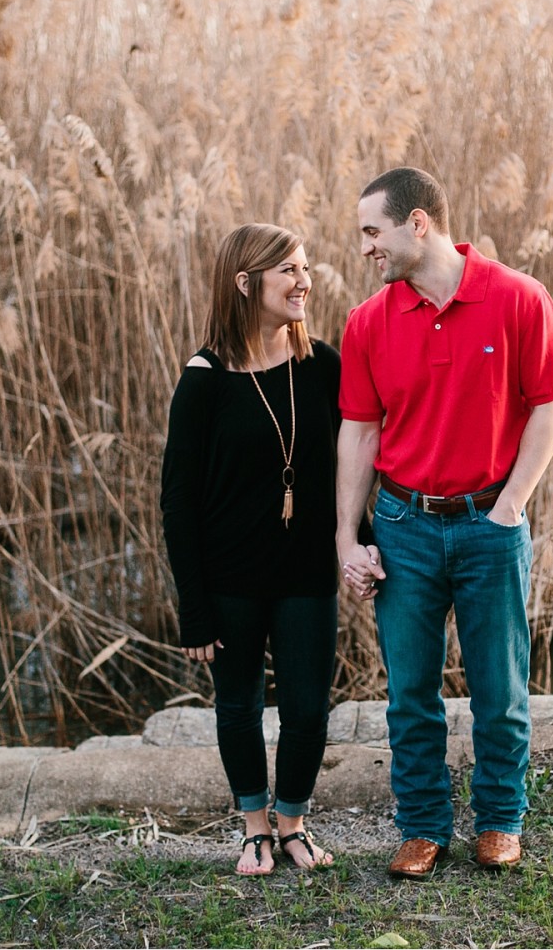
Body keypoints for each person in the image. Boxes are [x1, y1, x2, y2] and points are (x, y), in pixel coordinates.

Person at [335, 167, 553, 878]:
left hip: (488, 524)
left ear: (419, 225)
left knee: (499, 690)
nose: (365, 250)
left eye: (372, 232)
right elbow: (359, 433)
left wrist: (511, 504)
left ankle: (501, 819)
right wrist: (349, 538)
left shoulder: (516, 297)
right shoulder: (367, 322)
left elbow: (552, 404)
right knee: (410, 693)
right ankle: (422, 825)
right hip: (404, 526)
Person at [161, 223, 372, 876]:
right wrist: (193, 608)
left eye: (305, 267)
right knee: (240, 705)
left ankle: (293, 823)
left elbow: (357, 463)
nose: (305, 281)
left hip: (306, 571)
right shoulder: (204, 379)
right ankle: (253, 829)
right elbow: (178, 501)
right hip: (229, 579)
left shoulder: (324, 366)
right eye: (289, 271)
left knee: (309, 707)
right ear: (246, 282)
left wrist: (358, 543)